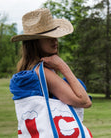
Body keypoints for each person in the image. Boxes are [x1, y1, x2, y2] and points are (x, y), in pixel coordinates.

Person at [9, 8, 92, 136]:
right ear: (35, 42)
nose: (54, 40)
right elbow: (84, 101)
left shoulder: (29, 69)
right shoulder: (43, 72)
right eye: (48, 37)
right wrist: (63, 66)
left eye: (55, 36)